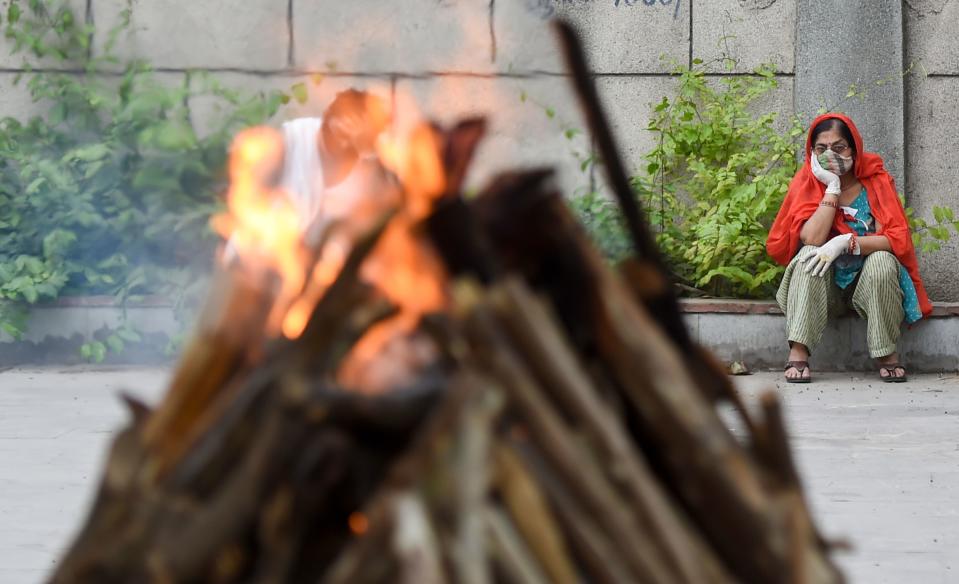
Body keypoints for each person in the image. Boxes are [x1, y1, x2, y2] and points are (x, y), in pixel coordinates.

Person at [766, 113, 932, 384]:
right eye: (821, 149)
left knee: (882, 260)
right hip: (825, 287)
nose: (830, 154)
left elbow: (894, 239)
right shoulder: (809, 182)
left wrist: (847, 242)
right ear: (811, 153)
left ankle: (885, 351)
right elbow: (812, 237)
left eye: (839, 147)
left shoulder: (875, 180)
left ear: (854, 148)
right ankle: (798, 349)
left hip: (867, 284)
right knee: (810, 255)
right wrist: (831, 187)